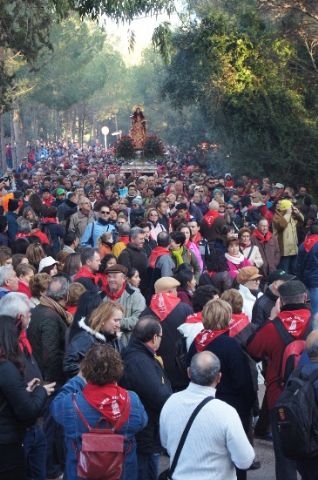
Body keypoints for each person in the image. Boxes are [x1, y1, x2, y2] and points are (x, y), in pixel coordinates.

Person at [51, 344, 148, 480]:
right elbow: (142, 422)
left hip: (79, 474)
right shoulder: (131, 400)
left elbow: (55, 406)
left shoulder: (70, 403)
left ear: (86, 371)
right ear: (118, 370)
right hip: (123, 473)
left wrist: (78, 379)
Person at [247, 280, 312, 480]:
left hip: (281, 398)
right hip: (313, 396)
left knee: (284, 456)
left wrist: (270, 319)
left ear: (281, 302)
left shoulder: (273, 327)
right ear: (304, 298)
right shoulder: (315, 321)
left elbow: (253, 350)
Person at [188, 299, 256, 480]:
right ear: (226, 318)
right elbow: (243, 381)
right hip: (230, 405)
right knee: (234, 456)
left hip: (200, 405)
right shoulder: (229, 345)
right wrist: (248, 406)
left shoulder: (197, 341)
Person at [160, 351, 255, 480]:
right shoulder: (226, 412)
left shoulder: (171, 402)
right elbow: (245, 461)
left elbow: (165, 443)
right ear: (219, 377)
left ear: (189, 372)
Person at [120, 317, 172, 480]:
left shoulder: (136, 355)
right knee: (145, 472)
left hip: (144, 430)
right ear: (154, 337)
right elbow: (158, 396)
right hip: (144, 434)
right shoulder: (140, 362)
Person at [143, 276, 193, 391]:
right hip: (182, 368)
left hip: (158, 369)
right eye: (175, 290)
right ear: (170, 292)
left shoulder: (146, 313)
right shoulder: (185, 309)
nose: (177, 293)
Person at [28, 275, 71, 385]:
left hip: (40, 373)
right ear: (66, 296)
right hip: (49, 381)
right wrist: (52, 383)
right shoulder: (50, 317)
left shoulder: (39, 309)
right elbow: (50, 354)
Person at [63, 301, 123, 377]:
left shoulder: (114, 339)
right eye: (116, 320)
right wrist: (96, 376)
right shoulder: (85, 338)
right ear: (103, 320)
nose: (119, 325)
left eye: (119, 321)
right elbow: (69, 365)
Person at [103, 264, 146, 346]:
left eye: (115, 277)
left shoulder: (136, 296)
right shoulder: (100, 296)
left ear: (124, 279)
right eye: (109, 276)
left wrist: (115, 322)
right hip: (105, 345)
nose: (111, 279)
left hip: (127, 345)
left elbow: (139, 320)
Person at [272, 199, 303, 275]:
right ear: (286, 208)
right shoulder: (276, 216)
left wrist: (297, 213)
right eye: (290, 207)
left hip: (293, 249)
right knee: (284, 271)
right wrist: (288, 214)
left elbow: (302, 220)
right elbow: (281, 225)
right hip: (284, 250)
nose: (291, 209)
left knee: (294, 270)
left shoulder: (292, 215)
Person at [118, 226, 148, 297]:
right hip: (132, 292)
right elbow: (126, 275)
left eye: (143, 238)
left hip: (144, 289)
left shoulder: (143, 251)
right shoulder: (125, 254)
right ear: (132, 239)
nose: (143, 241)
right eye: (141, 239)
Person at [297, 222, 318, 317]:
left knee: (308, 304)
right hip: (315, 279)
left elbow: (298, 264)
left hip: (305, 279)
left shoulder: (303, 245)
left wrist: (300, 277)